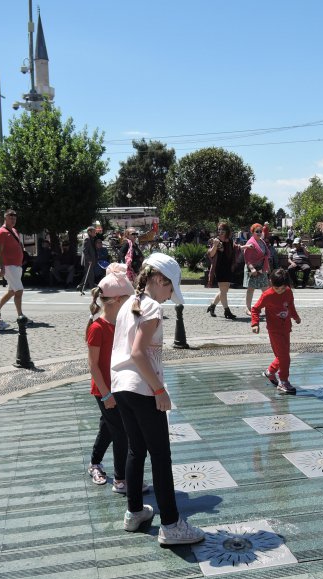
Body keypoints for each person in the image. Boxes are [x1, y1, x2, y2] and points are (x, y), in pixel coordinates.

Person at [111, 253, 205, 546]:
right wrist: (159, 391)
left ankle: (135, 512)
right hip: (142, 389)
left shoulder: (129, 303)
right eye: (169, 288)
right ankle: (171, 526)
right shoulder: (150, 307)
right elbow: (139, 353)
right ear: (157, 280)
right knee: (161, 458)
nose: (168, 296)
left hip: (121, 387)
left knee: (136, 450)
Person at [85, 263, 141, 493]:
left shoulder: (122, 323)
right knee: (122, 433)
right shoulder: (98, 327)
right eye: (128, 299)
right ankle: (121, 480)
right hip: (104, 389)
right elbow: (93, 365)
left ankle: (95, 462)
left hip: (120, 387)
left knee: (108, 428)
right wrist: (106, 394)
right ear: (117, 300)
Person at [251, 268, 301, 395]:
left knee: (282, 355)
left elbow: (291, 306)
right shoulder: (267, 295)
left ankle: (270, 372)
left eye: (282, 288)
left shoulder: (288, 292)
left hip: (286, 328)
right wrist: (255, 323)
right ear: (270, 283)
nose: (280, 291)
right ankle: (283, 381)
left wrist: (295, 317)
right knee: (285, 357)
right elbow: (255, 309)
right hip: (274, 330)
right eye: (277, 288)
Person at [0, 210, 26, 319]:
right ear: (5, 218)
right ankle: (20, 315)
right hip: (9, 266)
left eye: (14, 218)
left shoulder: (14, 230)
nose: (13, 220)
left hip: (17, 265)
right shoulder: (1, 232)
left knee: (12, 291)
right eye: (10, 218)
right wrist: (1, 267)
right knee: (19, 290)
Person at [206, 222, 238, 319]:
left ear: (227, 231)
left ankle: (212, 306)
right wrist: (215, 246)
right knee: (223, 291)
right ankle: (227, 311)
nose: (220, 232)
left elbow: (235, 250)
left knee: (224, 291)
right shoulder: (216, 241)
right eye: (219, 230)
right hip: (219, 268)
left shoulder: (230, 241)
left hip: (228, 267)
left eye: (222, 230)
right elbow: (211, 254)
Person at [241, 223, 271, 314]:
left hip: (262, 268)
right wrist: (252, 268)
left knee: (265, 289)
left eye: (260, 231)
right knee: (251, 289)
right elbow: (247, 258)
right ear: (252, 232)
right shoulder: (251, 242)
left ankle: (267, 308)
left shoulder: (262, 241)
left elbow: (265, 255)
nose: (259, 233)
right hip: (252, 269)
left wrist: (267, 266)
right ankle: (247, 308)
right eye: (256, 231)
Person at [79, 225, 100, 292]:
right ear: (89, 232)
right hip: (88, 260)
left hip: (91, 260)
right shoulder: (87, 239)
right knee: (90, 274)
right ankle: (92, 288)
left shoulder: (91, 238)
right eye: (94, 232)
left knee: (88, 274)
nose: (95, 233)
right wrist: (89, 259)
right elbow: (85, 251)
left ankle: (81, 286)